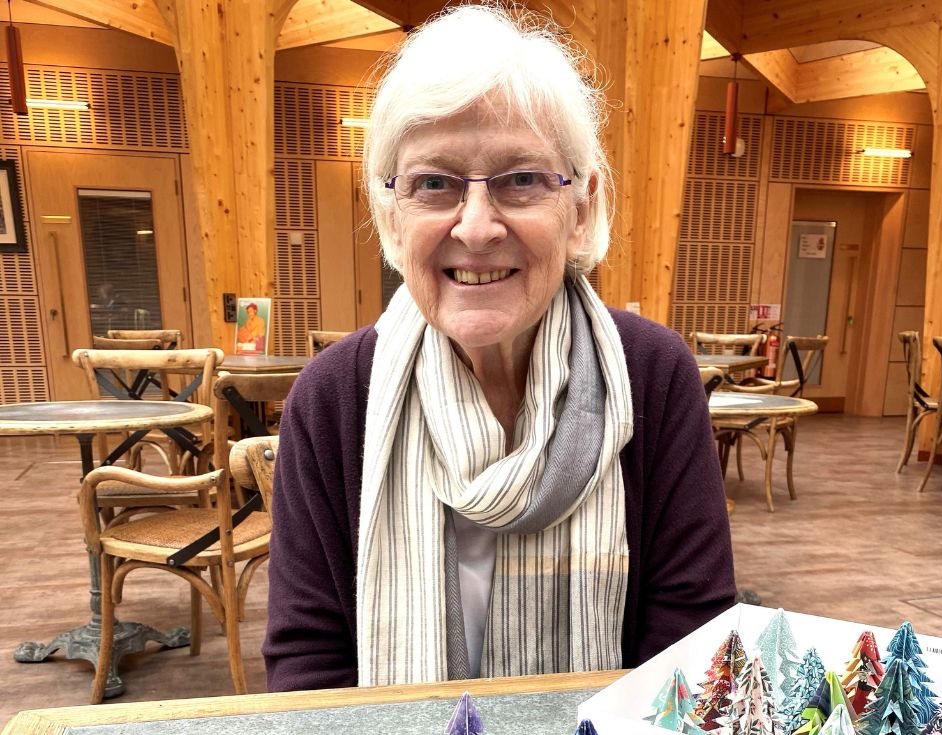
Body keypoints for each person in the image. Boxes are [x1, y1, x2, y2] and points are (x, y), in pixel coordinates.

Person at [265, 4, 735, 691]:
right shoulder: (335, 399)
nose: (477, 227)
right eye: (434, 183)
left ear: (579, 209)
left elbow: (688, 654)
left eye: (520, 178)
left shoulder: (654, 376)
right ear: (393, 217)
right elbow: (309, 670)